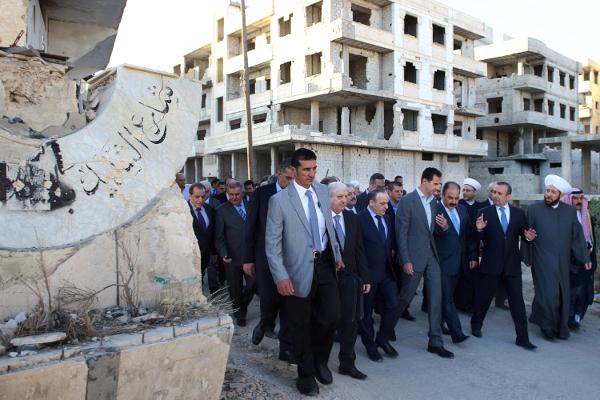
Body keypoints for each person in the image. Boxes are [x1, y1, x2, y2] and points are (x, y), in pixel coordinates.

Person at [265, 148, 343, 396]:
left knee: (331, 317)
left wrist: (338, 256)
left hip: (325, 265)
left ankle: (320, 359)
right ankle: (306, 374)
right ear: (293, 170)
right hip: (296, 270)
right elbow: (272, 244)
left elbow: (328, 228)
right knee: (300, 325)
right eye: (306, 170)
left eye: (314, 169)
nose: (311, 174)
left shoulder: (322, 191)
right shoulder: (279, 201)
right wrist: (281, 276)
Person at [471, 182, 537, 350]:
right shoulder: (484, 213)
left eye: (500, 193)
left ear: (508, 196)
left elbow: (524, 232)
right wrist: (479, 230)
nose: (495, 196)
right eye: (494, 192)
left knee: (517, 302)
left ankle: (522, 337)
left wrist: (528, 236)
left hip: (511, 265)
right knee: (483, 298)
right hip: (490, 264)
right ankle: (476, 325)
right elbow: (476, 239)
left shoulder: (519, 214)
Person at [395, 167, 453, 359]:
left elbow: (432, 231)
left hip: (431, 257)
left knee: (436, 297)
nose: (438, 187)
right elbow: (401, 233)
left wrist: (443, 228)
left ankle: (435, 341)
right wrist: (405, 259)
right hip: (412, 258)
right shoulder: (407, 201)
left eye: (439, 184)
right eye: (436, 183)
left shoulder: (434, 203)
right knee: (405, 297)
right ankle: (386, 331)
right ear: (425, 181)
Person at [525, 175, 591, 340]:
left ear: (561, 195)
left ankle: (559, 328)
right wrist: (527, 238)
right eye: (547, 190)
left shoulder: (569, 212)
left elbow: (577, 237)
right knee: (547, 294)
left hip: (562, 260)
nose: (548, 194)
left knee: (562, 294)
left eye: (553, 192)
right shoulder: (533, 209)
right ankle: (546, 327)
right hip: (542, 259)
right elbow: (526, 231)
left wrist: (585, 258)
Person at [243, 160, 295, 364]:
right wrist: (248, 258)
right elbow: (250, 227)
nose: (291, 183)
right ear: (278, 174)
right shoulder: (261, 195)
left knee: (288, 302)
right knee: (268, 298)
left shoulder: (297, 196)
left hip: (289, 257)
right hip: (264, 256)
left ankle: (285, 347)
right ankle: (264, 323)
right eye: (287, 178)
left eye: (294, 179)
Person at [329, 182, 371, 380]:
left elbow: (360, 250)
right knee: (326, 322)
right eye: (339, 197)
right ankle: (318, 363)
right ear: (327, 198)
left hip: (351, 279)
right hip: (326, 281)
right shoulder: (320, 219)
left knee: (350, 323)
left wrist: (364, 277)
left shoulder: (352, 218)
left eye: (346, 196)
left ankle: (347, 363)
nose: (344, 200)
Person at [358, 189, 399, 362]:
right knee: (366, 314)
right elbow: (357, 251)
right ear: (371, 202)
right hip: (367, 275)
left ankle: (382, 339)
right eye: (382, 203)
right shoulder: (359, 219)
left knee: (394, 305)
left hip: (385, 272)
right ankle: (370, 346)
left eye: (387, 203)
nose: (386, 206)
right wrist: (363, 276)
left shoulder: (387, 219)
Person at [433, 182, 475, 344]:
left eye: (457, 198)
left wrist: (472, 257)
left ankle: (440, 323)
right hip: (442, 263)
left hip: (460, 262)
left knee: (447, 296)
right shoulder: (435, 210)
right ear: (442, 196)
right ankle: (457, 333)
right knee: (447, 298)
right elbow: (432, 235)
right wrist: (442, 229)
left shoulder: (463, 210)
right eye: (450, 198)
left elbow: (467, 236)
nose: (453, 201)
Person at [214, 180, 255, 327]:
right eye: (231, 195)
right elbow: (219, 237)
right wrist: (223, 253)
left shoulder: (251, 206)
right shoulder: (221, 210)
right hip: (232, 257)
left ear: (242, 193)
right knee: (235, 289)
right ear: (227, 194)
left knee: (253, 284)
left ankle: (241, 306)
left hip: (251, 257)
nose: (234, 197)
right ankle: (239, 314)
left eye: (237, 194)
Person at [563, 189, 597, 330]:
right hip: (570, 261)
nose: (578, 201)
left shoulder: (587, 216)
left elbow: (591, 238)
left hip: (587, 260)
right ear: (569, 199)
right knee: (572, 291)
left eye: (581, 198)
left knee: (584, 290)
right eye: (575, 198)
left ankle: (578, 316)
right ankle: (569, 317)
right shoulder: (564, 216)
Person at [456, 178, 484, 313]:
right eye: (464, 190)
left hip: (473, 245)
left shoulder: (480, 207)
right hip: (458, 244)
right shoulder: (458, 204)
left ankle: (467, 304)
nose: (465, 193)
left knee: (470, 276)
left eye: (468, 190)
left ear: (475, 192)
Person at [187, 183, 218, 293]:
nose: (200, 200)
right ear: (190, 196)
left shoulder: (210, 209)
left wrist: (214, 251)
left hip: (208, 254)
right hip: (191, 256)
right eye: (197, 197)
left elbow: (213, 231)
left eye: (203, 197)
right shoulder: (183, 211)